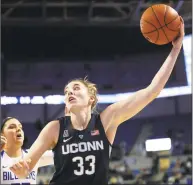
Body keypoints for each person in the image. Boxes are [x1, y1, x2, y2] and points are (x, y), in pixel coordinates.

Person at [10, 18, 185, 185]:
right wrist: (21, 170)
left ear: (91, 98)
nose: (70, 91)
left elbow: (151, 91)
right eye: (67, 91)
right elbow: (26, 167)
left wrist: (176, 49)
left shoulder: (106, 120)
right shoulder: (54, 128)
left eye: (76, 88)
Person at [0, 117, 54, 184]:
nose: (18, 129)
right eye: (12, 127)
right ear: (2, 135)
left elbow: (61, 154)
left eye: (20, 127)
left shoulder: (32, 155)